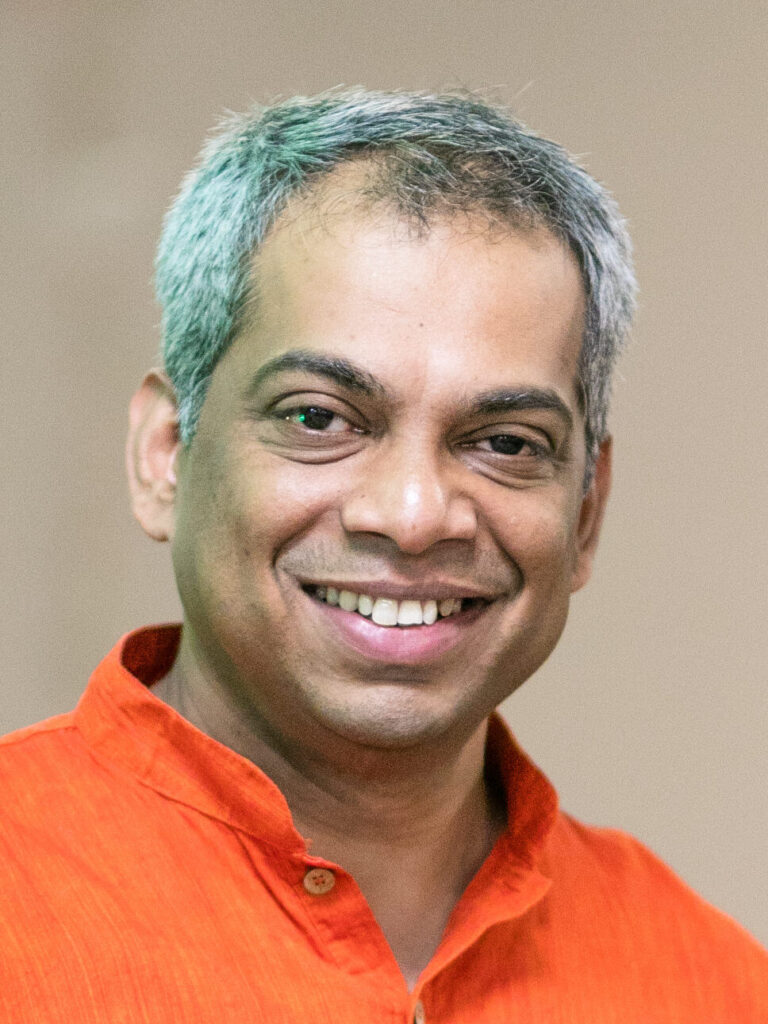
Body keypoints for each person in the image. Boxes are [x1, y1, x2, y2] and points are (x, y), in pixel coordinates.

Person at [1, 89, 765, 1022]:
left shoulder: (707, 984)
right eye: (319, 418)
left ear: (587, 513)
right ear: (165, 455)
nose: (413, 516)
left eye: (507, 442)